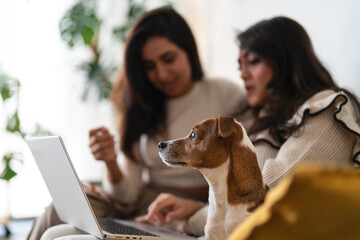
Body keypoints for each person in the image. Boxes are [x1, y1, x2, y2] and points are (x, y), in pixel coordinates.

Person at [28, 6, 246, 240]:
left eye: (168, 59)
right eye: (149, 66)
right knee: (55, 213)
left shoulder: (227, 95)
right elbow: (126, 196)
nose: (162, 74)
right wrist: (111, 162)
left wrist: (200, 204)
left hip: (194, 202)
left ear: (189, 51)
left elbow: (247, 165)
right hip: (143, 204)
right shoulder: (140, 104)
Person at [136, 16, 360, 237]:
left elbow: (267, 197)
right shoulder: (263, 119)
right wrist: (194, 210)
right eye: (240, 65)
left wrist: (189, 223)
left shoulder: (326, 109)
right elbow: (240, 200)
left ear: (286, 60)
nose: (243, 74)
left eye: (252, 61)